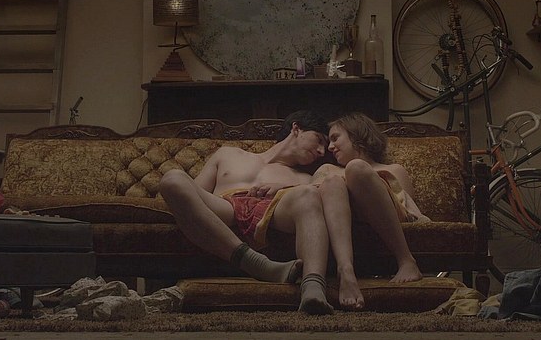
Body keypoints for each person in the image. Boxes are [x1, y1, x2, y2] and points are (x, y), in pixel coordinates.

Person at [158, 110, 334, 315]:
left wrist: (285, 188)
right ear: (297, 128)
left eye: (325, 147)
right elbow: (194, 195)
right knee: (172, 179)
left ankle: (313, 289)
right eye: (318, 140)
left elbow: (328, 190)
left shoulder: (305, 178)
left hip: (272, 211)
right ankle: (256, 264)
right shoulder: (228, 154)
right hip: (224, 207)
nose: (321, 151)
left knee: (309, 194)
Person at [313, 112, 431, 310]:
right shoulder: (327, 169)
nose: (330, 147)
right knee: (332, 181)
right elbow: (311, 200)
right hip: (341, 219)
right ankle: (346, 270)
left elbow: (406, 211)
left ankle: (406, 260)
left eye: (335, 138)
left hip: (385, 218)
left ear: (356, 133)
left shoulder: (394, 169)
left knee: (356, 168)